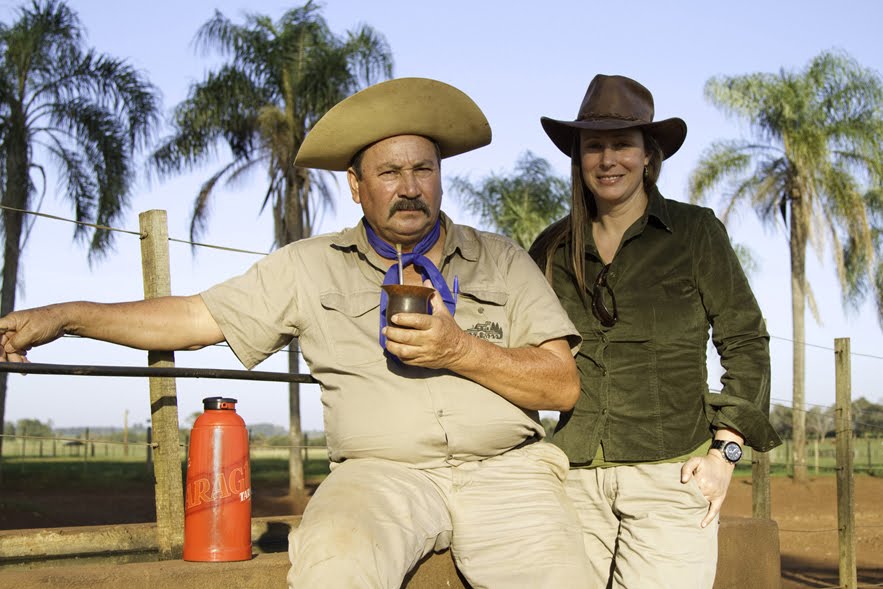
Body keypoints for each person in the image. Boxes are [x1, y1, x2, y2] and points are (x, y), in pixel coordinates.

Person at [0, 77, 594, 588]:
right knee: (334, 560)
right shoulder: (309, 266)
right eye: (389, 172)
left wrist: (459, 349)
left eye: (423, 169)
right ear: (356, 186)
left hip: (508, 474)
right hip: (380, 476)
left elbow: (561, 385)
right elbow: (194, 319)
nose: (410, 187)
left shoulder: (502, 259)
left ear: (440, 177)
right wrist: (65, 316)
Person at [528, 74, 783, 588]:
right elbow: (522, 355)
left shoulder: (695, 232)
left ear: (648, 155)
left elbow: (745, 342)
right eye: (593, 146)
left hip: (671, 476)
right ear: (578, 157)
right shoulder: (551, 248)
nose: (608, 160)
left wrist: (726, 452)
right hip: (571, 477)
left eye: (622, 144)